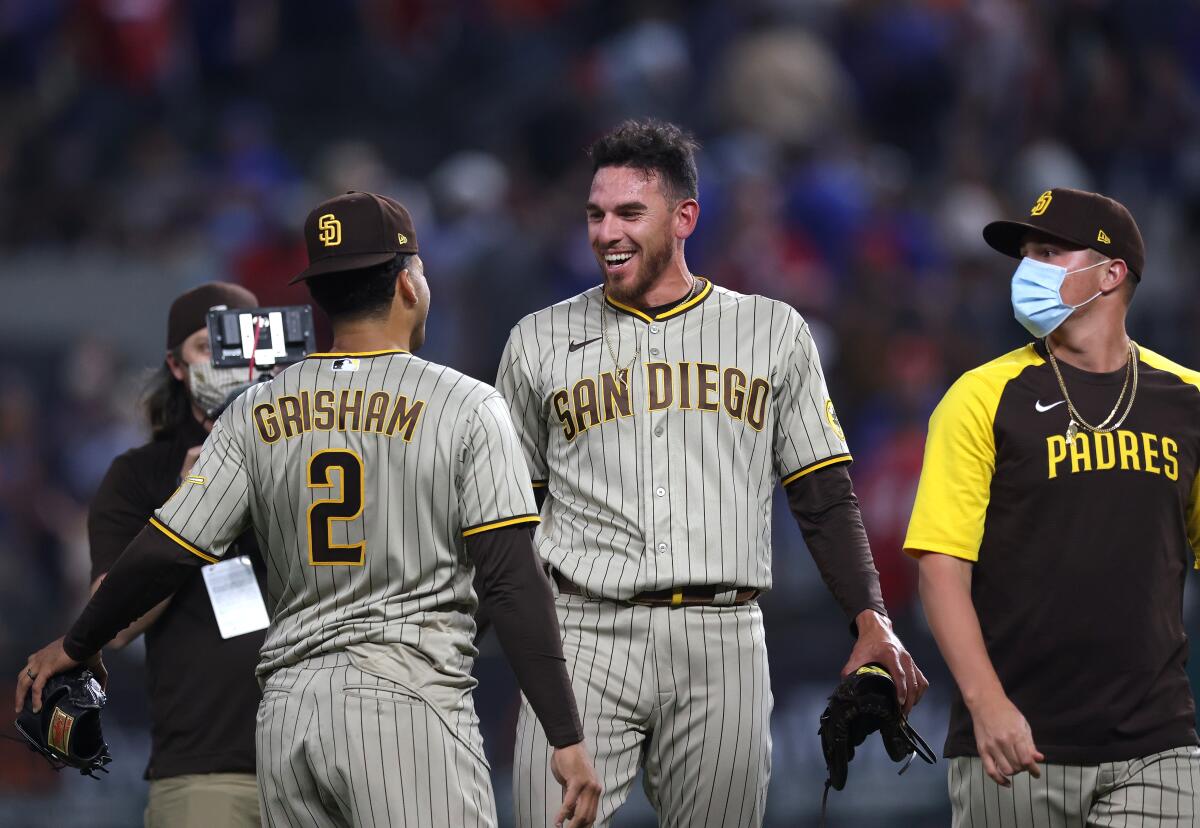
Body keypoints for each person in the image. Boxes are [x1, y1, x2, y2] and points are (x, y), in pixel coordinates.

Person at [17, 191, 602, 828]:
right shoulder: (465, 406)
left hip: (288, 720)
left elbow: (163, 552)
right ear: (408, 284)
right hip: (406, 703)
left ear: (319, 296)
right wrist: (564, 734)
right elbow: (513, 582)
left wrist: (77, 642)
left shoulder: (253, 411)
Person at [496, 119, 927, 826]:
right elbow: (509, 517)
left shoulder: (771, 330)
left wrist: (870, 615)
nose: (607, 232)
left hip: (722, 636)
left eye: (631, 213)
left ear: (685, 217)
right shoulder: (536, 341)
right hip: (583, 636)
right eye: (596, 214)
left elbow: (821, 494)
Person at [906, 187, 1200, 825]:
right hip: (1016, 743)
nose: (1026, 271)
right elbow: (940, 564)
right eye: (1024, 255)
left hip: (1158, 744)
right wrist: (986, 704)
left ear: (1112, 271)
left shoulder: (1188, 400)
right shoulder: (980, 397)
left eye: (1048, 251)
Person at [89, 281, 266, 827]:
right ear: (175, 365)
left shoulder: (312, 462)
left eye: (237, 344)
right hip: (207, 765)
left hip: (322, 755)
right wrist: (188, 510)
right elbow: (109, 624)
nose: (226, 361)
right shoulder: (140, 476)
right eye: (206, 347)